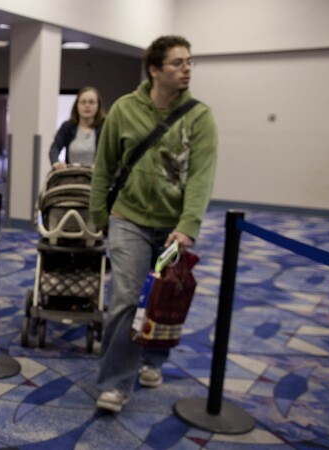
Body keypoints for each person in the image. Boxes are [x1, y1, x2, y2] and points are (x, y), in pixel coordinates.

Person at [89, 36, 218, 412]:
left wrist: (188, 224)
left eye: (189, 62)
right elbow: (104, 167)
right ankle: (114, 383)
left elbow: (201, 177)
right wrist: (100, 215)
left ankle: (153, 360)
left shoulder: (200, 116)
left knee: (163, 301)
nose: (187, 69)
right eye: (178, 63)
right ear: (155, 70)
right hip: (128, 219)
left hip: (173, 226)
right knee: (127, 300)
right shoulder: (125, 110)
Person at [48, 86, 106, 170]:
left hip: (95, 176)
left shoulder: (105, 127)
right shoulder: (67, 127)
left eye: (91, 102)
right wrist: (56, 163)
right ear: (77, 105)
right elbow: (55, 148)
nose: (87, 105)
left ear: (98, 106)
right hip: (71, 175)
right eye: (83, 102)